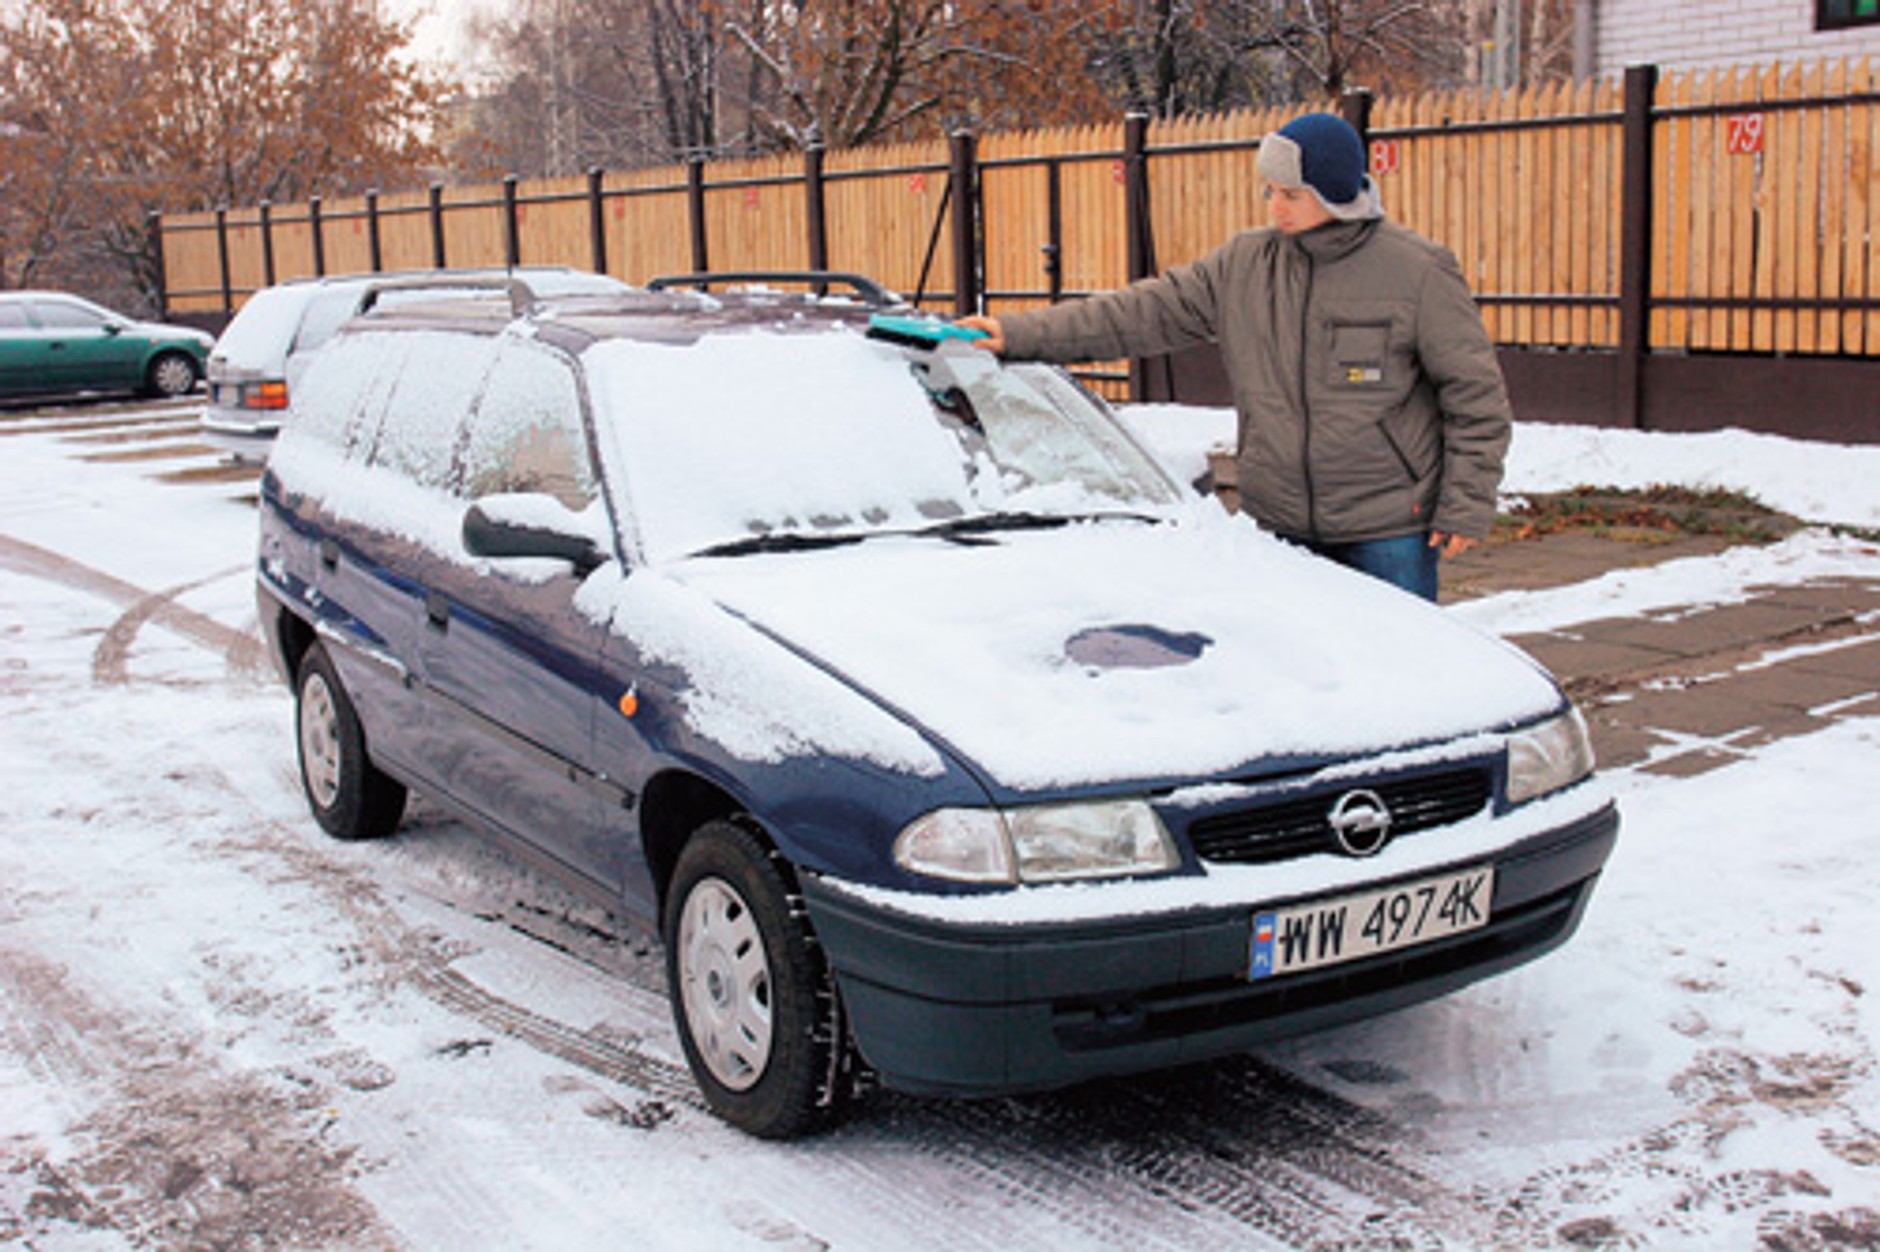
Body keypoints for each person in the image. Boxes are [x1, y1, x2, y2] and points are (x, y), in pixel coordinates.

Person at [959, 111, 1511, 603]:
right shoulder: (1245, 266)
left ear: (1335, 192)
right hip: (1280, 530)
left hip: (1390, 528)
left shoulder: (1416, 271)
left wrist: (1465, 504)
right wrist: (1016, 334)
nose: (1275, 207)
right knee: (1298, 684)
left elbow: (1475, 396)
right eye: (1269, 191)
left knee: (1400, 684)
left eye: (1290, 194)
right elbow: (1138, 314)